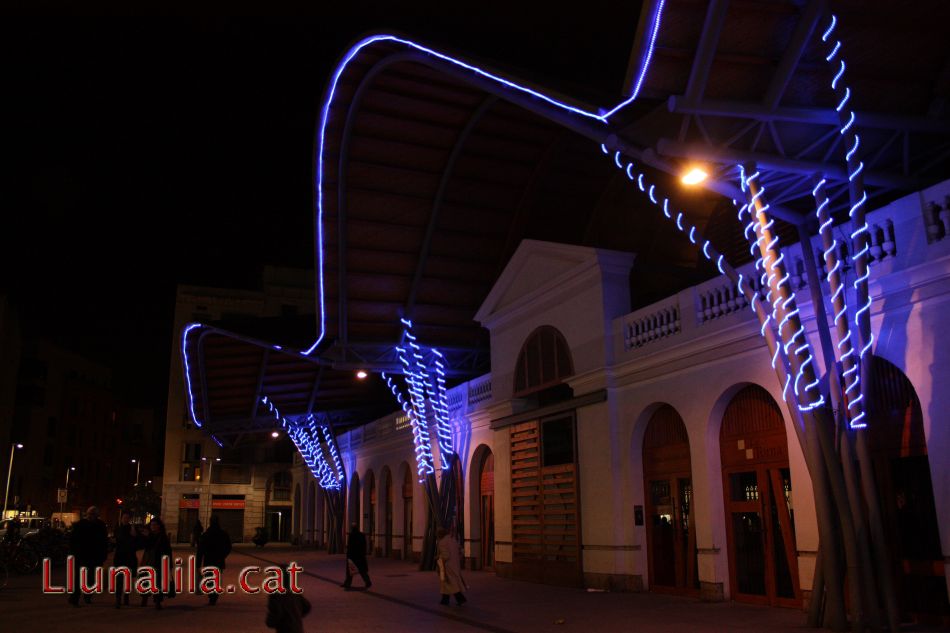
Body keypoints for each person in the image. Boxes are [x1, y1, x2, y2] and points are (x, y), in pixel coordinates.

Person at [67, 506, 108, 607]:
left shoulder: (100, 525)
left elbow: (103, 541)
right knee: (79, 579)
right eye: (89, 514)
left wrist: (102, 555)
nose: (90, 516)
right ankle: (75, 598)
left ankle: (87, 595)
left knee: (90, 578)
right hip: (82, 556)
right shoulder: (81, 524)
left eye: (93, 514)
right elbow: (73, 540)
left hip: (94, 556)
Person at [197, 514, 232, 605]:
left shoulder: (206, 534)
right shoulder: (223, 534)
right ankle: (214, 595)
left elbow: (200, 550)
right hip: (219, 560)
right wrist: (223, 555)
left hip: (208, 560)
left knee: (209, 578)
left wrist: (198, 564)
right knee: (216, 578)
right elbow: (228, 547)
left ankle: (211, 595)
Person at [140, 518, 173, 609]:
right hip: (148, 561)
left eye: (155, 524)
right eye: (151, 525)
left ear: (159, 526)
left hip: (158, 562)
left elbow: (167, 551)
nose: (153, 526)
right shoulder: (149, 535)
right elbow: (144, 546)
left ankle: (157, 601)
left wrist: (169, 564)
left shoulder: (162, 537)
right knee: (146, 581)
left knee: (158, 583)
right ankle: (144, 598)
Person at [266, 568, 311, 633]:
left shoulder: (276, 596)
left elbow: (274, 617)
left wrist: (271, 622)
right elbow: (307, 607)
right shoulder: (295, 594)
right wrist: (295, 617)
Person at [112, 512, 143, 608]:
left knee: (128, 579)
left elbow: (138, 544)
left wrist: (135, 536)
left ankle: (126, 597)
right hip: (120, 557)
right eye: (124, 518)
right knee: (119, 579)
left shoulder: (133, 529)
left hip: (129, 557)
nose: (125, 519)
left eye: (127, 518)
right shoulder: (117, 529)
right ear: (121, 519)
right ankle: (118, 599)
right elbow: (115, 542)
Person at [436, 527, 467, 606]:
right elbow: (460, 550)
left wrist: (438, 558)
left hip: (447, 566)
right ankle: (445, 599)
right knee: (448, 583)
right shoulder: (453, 540)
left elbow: (446, 556)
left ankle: (460, 599)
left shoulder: (442, 542)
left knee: (450, 583)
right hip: (455, 564)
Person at [341, 523, 371, 590]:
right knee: (362, 570)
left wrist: (348, 556)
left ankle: (347, 583)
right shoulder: (362, 535)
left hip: (353, 556)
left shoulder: (351, 535)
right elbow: (364, 545)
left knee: (350, 571)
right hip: (360, 556)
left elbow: (349, 546)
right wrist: (364, 553)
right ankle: (368, 581)